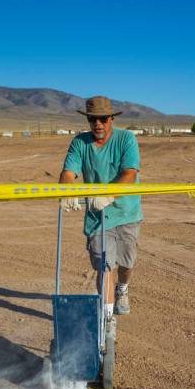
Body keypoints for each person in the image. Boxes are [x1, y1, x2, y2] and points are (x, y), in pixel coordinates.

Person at [59, 96, 142, 319]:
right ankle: (107, 320)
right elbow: (68, 173)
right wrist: (66, 191)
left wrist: (109, 193)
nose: (98, 124)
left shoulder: (126, 139)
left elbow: (130, 173)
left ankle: (123, 288)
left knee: (126, 263)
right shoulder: (80, 143)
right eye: (93, 119)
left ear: (111, 119)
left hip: (126, 213)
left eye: (103, 119)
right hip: (97, 217)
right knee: (105, 266)